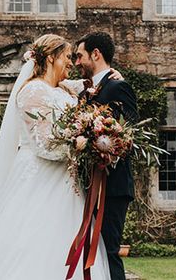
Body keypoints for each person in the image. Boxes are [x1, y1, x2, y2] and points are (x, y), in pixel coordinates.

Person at [0, 34, 113, 280]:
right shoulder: (31, 91)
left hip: (66, 184)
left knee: (66, 240)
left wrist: (113, 78)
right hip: (39, 178)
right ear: (51, 57)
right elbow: (44, 146)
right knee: (31, 243)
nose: (70, 63)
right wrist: (78, 146)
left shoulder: (62, 88)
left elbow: (91, 85)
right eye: (66, 57)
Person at [73, 32, 138, 280]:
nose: (77, 62)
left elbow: (134, 135)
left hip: (113, 186)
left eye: (80, 56)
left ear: (96, 54)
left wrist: (104, 148)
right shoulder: (83, 95)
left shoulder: (119, 87)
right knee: (88, 251)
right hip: (86, 184)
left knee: (109, 251)